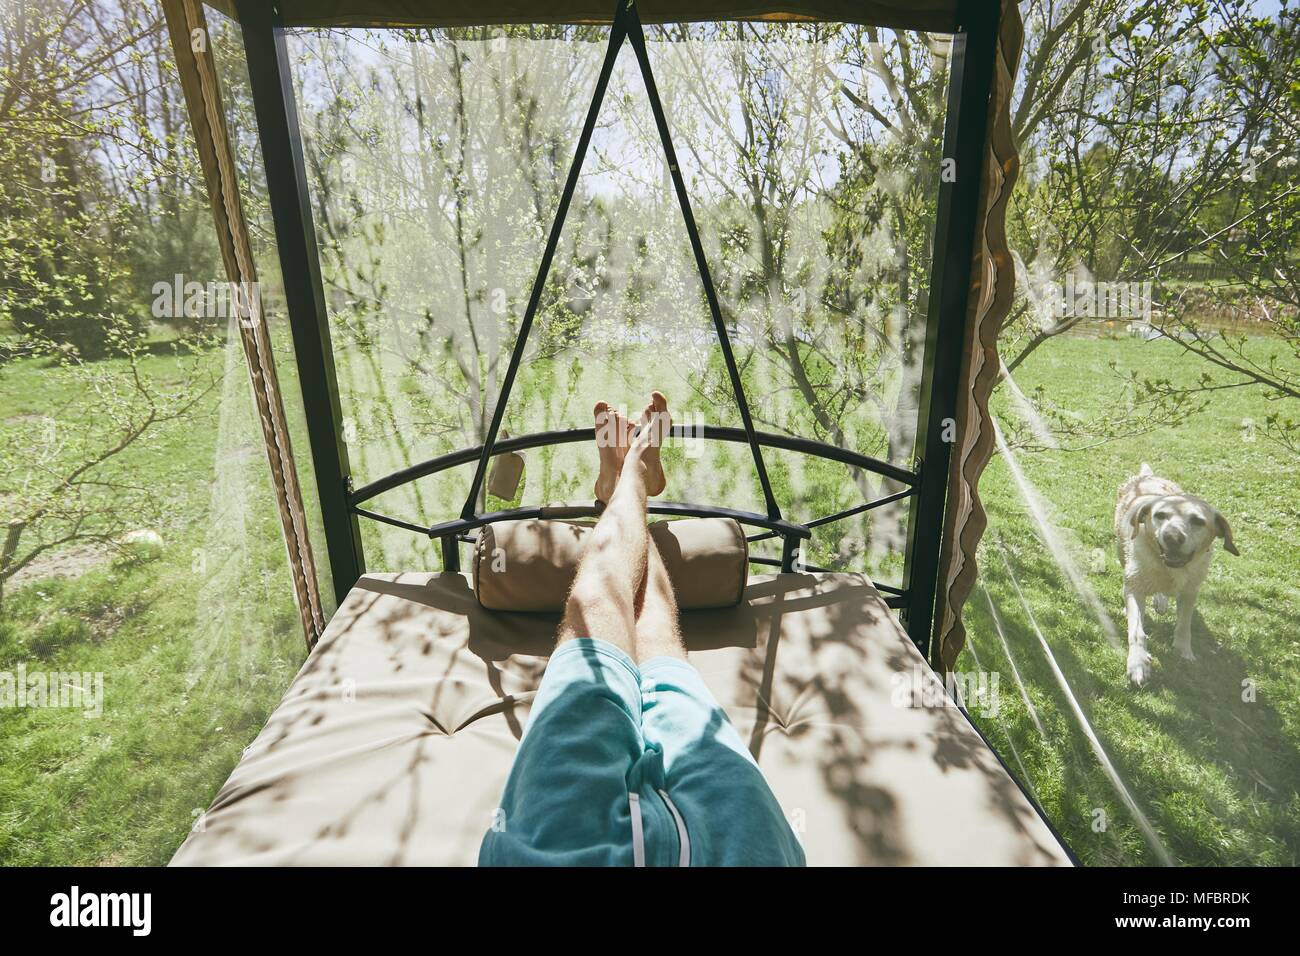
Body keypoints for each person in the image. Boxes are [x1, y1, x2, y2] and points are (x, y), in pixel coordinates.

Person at [480, 392, 806, 867]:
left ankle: (624, 480)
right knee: (655, 635)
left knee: (596, 605)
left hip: (556, 851)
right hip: (743, 850)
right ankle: (633, 473)